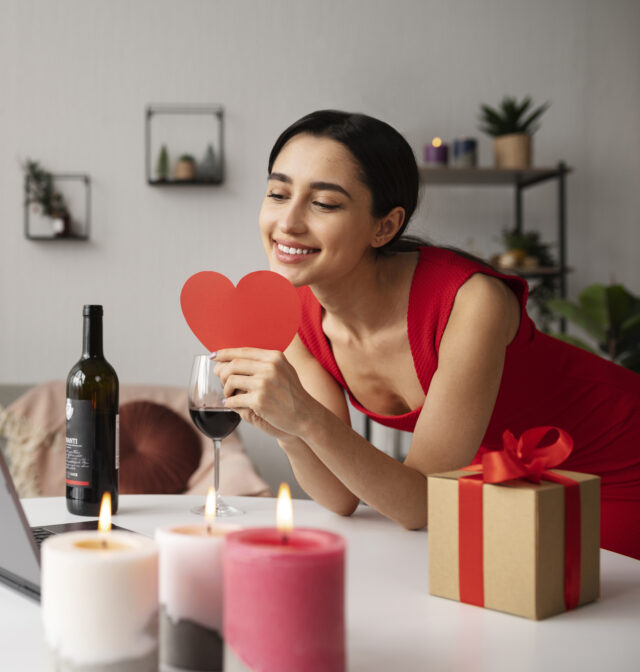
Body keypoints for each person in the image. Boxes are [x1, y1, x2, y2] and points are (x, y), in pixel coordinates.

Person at [213, 110, 640, 559]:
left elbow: (420, 506)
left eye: (325, 204)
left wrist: (305, 417)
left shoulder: (471, 302)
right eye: (278, 194)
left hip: (617, 466)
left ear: (386, 226)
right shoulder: (295, 313)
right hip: (513, 485)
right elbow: (341, 498)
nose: (289, 222)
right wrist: (287, 431)